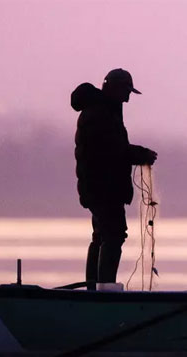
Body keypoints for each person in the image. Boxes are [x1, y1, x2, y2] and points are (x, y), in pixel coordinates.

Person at [71, 68, 157, 290]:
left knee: (102, 235)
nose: (128, 98)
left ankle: (95, 288)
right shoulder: (100, 113)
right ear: (113, 88)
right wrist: (142, 155)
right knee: (114, 235)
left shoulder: (102, 110)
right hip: (103, 189)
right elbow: (113, 150)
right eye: (126, 91)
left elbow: (113, 149)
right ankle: (103, 289)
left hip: (99, 188)